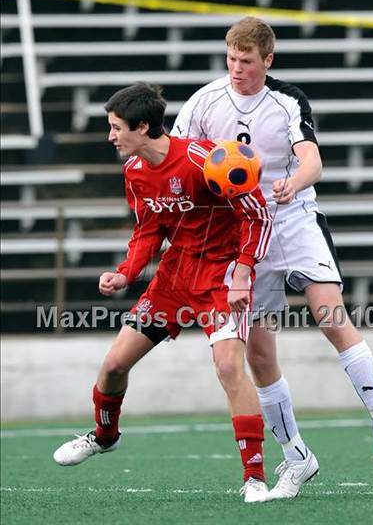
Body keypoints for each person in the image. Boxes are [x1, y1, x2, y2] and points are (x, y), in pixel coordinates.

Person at [171, 16, 373, 499]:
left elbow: (313, 161)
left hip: (293, 217)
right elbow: (179, 155)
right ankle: (296, 456)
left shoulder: (287, 101)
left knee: (330, 315)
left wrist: (292, 182)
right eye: (232, 59)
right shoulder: (204, 101)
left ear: (267, 61)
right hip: (243, 230)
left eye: (247, 61)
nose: (237, 68)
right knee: (259, 352)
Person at [53, 82, 273, 504]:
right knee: (115, 364)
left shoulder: (204, 159)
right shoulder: (134, 171)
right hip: (174, 278)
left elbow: (257, 216)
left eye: (116, 128)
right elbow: (148, 230)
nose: (110, 136)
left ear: (141, 127)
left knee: (229, 369)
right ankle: (104, 435)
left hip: (221, 278)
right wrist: (125, 273)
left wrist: (244, 270)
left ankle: (254, 477)